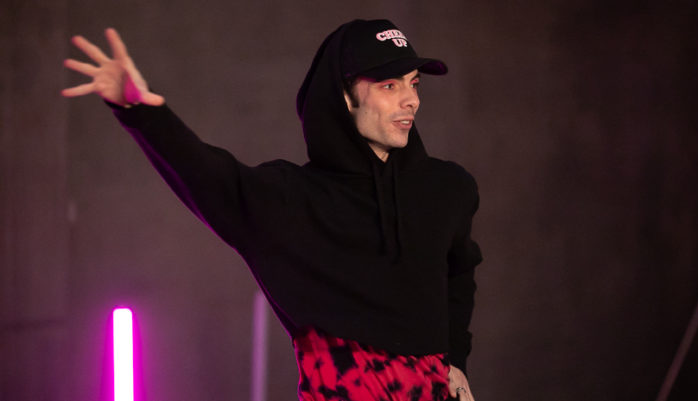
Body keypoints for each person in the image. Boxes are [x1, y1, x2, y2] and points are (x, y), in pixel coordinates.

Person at [63, 19, 482, 401]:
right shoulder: (289, 200)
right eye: (390, 86)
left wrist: (457, 360)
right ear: (344, 96)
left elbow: (459, 272)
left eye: (414, 84)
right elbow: (208, 175)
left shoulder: (448, 189)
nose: (411, 100)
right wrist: (142, 112)